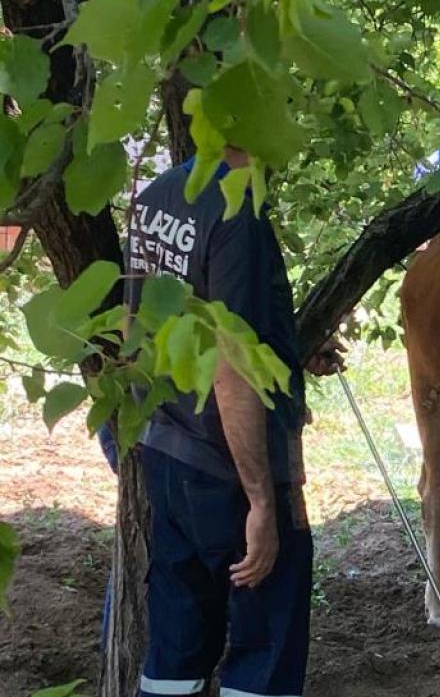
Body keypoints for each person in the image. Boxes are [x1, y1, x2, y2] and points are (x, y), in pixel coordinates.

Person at [125, 146, 344, 697]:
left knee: (177, 646)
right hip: (228, 469)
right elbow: (231, 369)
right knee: (264, 648)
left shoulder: (155, 196)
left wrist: (288, 350)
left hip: (167, 451)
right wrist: (263, 503)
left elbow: (151, 323)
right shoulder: (237, 207)